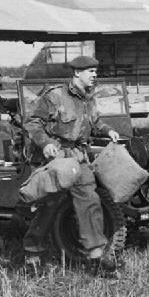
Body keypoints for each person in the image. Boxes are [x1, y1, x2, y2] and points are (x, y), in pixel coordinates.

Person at [22, 55, 121, 274]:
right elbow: (32, 122)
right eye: (90, 72)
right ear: (77, 73)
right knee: (49, 204)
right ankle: (32, 254)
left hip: (78, 156)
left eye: (96, 72)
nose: (95, 76)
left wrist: (108, 130)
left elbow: (94, 122)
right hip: (56, 156)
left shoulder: (88, 98)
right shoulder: (55, 95)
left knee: (90, 201)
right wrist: (45, 143)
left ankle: (96, 256)